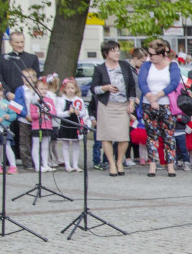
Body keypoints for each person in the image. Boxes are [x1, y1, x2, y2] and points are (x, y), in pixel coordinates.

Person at [91, 41, 138, 176]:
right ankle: (111, 163)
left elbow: (131, 86)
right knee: (106, 136)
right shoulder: (100, 69)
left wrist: (131, 102)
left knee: (123, 136)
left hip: (122, 105)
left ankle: (119, 161)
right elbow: (93, 88)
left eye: (118, 50)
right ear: (106, 53)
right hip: (107, 106)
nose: (117, 53)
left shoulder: (124, 66)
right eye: (114, 50)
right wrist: (105, 88)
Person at [138, 39, 182, 177]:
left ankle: (170, 165)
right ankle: (152, 164)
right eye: (149, 54)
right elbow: (142, 82)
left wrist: (157, 96)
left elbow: (174, 83)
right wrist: (150, 97)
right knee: (151, 135)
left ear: (161, 54)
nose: (149, 57)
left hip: (166, 103)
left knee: (168, 135)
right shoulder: (147, 65)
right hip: (148, 103)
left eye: (152, 54)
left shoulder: (172, 66)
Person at [0, 31, 40, 101]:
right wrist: (7, 92)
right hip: (9, 97)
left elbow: (36, 77)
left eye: (22, 42)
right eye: (17, 42)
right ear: (10, 43)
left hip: (28, 96)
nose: (20, 45)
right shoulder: (3, 59)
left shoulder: (32, 58)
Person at [56, 78, 88, 173]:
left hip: (75, 124)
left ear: (76, 89)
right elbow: (58, 114)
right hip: (65, 124)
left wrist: (79, 113)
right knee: (65, 145)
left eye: (72, 88)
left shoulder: (79, 100)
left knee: (76, 145)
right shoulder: (61, 100)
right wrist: (68, 113)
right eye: (68, 88)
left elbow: (84, 113)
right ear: (64, 89)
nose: (70, 90)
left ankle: (75, 164)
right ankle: (67, 165)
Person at [27, 77, 56, 173]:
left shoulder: (50, 100)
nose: (44, 91)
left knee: (45, 146)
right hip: (37, 126)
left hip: (48, 126)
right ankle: (37, 165)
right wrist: (40, 114)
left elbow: (54, 113)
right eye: (41, 89)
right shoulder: (34, 101)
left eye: (45, 89)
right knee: (36, 146)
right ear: (36, 89)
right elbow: (33, 115)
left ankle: (45, 164)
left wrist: (49, 113)